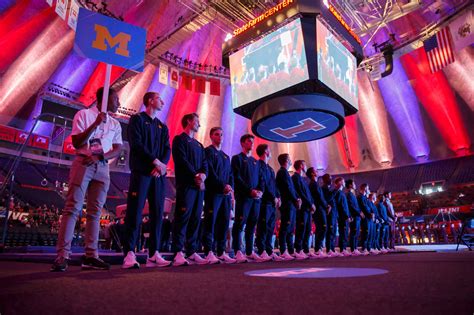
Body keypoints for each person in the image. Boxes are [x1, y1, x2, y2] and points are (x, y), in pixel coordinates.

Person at [51, 87, 123, 272]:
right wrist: (95, 125)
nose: (119, 104)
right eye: (116, 100)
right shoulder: (83, 115)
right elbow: (77, 142)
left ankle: (91, 255)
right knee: (72, 208)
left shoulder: (115, 123)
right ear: (104, 100)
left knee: (95, 212)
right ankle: (62, 256)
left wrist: (101, 157)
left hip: (102, 167)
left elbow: (117, 149)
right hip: (83, 162)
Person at [122, 92, 171, 269]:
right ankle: (129, 253)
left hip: (157, 175)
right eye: (159, 98)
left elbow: (167, 148)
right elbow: (137, 144)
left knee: (158, 214)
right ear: (150, 101)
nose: (163, 101)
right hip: (141, 173)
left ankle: (153, 253)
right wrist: (155, 161)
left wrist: (161, 165)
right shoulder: (137, 119)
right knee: (135, 212)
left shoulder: (162, 127)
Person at [171, 113, 208, 266]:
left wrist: (203, 176)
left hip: (199, 187)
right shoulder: (179, 139)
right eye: (197, 121)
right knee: (183, 217)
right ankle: (178, 251)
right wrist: (195, 176)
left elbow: (205, 163)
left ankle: (191, 251)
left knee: (195, 218)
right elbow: (181, 161)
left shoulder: (199, 145)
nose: (199, 124)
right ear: (188, 121)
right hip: (186, 185)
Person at [201, 127, 236, 264]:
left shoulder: (226, 157)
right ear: (211, 136)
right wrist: (223, 186)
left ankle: (221, 252)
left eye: (222, 134)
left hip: (226, 195)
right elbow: (210, 172)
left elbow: (231, 175)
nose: (220, 136)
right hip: (213, 193)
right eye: (217, 134)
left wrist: (230, 187)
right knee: (210, 221)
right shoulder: (208, 152)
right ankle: (208, 251)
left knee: (223, 223)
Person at [231, 134, 265, 263]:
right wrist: (249, 191)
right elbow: (237, 178)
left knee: (252, 225)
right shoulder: (237, 159)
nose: (251, 143)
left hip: (255, 199)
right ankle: (237, 250)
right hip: (244, 197)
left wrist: (260, 191)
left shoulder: (256, 162)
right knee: (239, 224)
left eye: (252, 141)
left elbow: (261, 179)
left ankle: (250, 252)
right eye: (249, 141)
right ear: (242, 143)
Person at [255, 144, 283, 261]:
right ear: (265, 151)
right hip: (264, 202)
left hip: (272, 203)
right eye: (269, 150)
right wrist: (273, 197)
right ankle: (262, 251)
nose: (270, 152)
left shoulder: (270, 168)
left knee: (271, 227)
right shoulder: (258, 165)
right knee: (263, 226)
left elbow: (274, 185)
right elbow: (263, 184)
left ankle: (269, 250)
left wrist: (278, 197)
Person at [276, 153, 300, 261]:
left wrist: (297, 198)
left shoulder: (286, 173)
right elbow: (288, 188)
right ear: (286, 160)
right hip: (287, 204)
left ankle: (291, 251)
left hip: (291, 204)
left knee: (290, 229)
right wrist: (295, 199)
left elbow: (292, 188)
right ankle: (283, 251)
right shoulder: (282, 172)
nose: (291, 161)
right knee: (285, 228)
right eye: (289, 159)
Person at [292, 160, 315, 260]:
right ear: (301, 166)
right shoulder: (295, 178)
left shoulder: (303, 179)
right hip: (302, 208)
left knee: (307, 229)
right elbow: (301, 193)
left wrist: (312, 204)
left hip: (307, 209)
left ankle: (305, 250)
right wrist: (310, 204)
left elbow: (308, 194)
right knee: (301, 229)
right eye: (305, 164)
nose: (306, 167)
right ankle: (298, 249)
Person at [307, 167, 330, 258]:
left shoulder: (315, 184)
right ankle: (318, 249)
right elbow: (320, 197)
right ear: (312, 174)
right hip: (319, 209)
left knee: (321, 228)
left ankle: (318, 248)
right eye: (315, 171)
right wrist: (326, 206)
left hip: (320, 209)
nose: (317, 172)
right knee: (322, 228)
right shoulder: (313, 184)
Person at [334, 177, 351, 256]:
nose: (344, 183)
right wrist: (346, 215)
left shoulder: (341, 193)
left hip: (344, 216)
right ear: (340, 182)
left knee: (344, 233)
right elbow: (341, 206)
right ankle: (342, 249)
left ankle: (343, 248)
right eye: (343, 181)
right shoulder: (338, 193)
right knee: (343, 233)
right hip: (342, 217)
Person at [322, 174, 338, 257]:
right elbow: (328, 198)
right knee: (330, 232)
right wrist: (335, 190)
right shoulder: (324, 188)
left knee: (333, 232)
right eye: (329, 178)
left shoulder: (328, 188)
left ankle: (332, 248)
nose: (331, 180)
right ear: (325, 179)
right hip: (329, 213)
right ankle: (329, 249)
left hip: (333, 213)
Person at [346, 179, 362, 256]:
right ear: (350, 185)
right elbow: (351, 206)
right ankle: (353, 249)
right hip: (354, 216)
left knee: (357, 233)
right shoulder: (349, 194)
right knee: (354, 233)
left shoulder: (353, 194)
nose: (355, 185)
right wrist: (359, 212)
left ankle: (355, 248)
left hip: (357, 216)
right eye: (354, 183)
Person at [358, 183, 373, 256]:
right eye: (367, 188)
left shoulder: (364, 197)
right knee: (365, 233)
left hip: (368, 217)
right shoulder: (360, 197)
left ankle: (367, 248)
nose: (368, 190)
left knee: (368, 233)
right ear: (364, 189)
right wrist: (369, 214)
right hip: (365, 218)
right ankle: (364, 248)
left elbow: (368, 207)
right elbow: (364, 207)